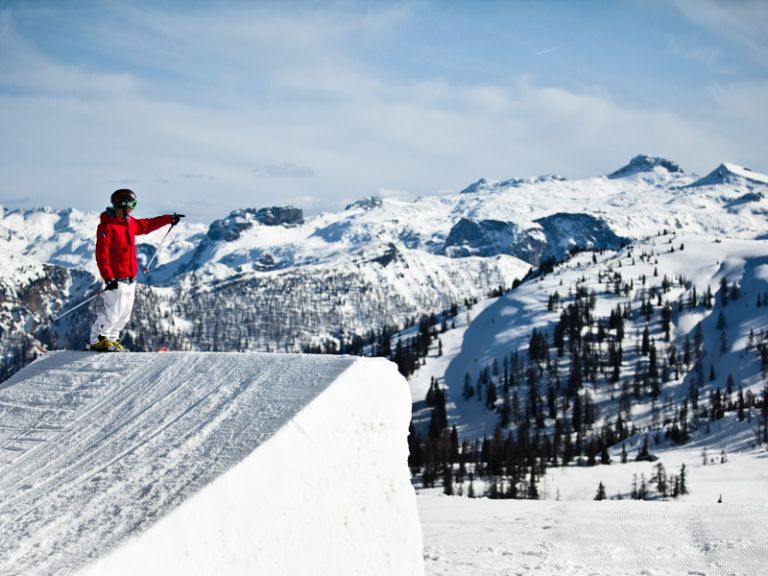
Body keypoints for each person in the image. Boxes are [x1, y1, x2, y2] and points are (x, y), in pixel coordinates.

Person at [89, 189, 184, 351]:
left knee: (124, 314)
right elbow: (102, 256)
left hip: (130, 278)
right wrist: (108, 278)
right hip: (116, 279)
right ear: (123, 204)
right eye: (132, 204)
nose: (133, 207)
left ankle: (111, 339)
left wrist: (169, 219)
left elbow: (147, 225)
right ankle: (98, 339)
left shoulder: (129, 223)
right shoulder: (107, 227)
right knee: (113, 311)